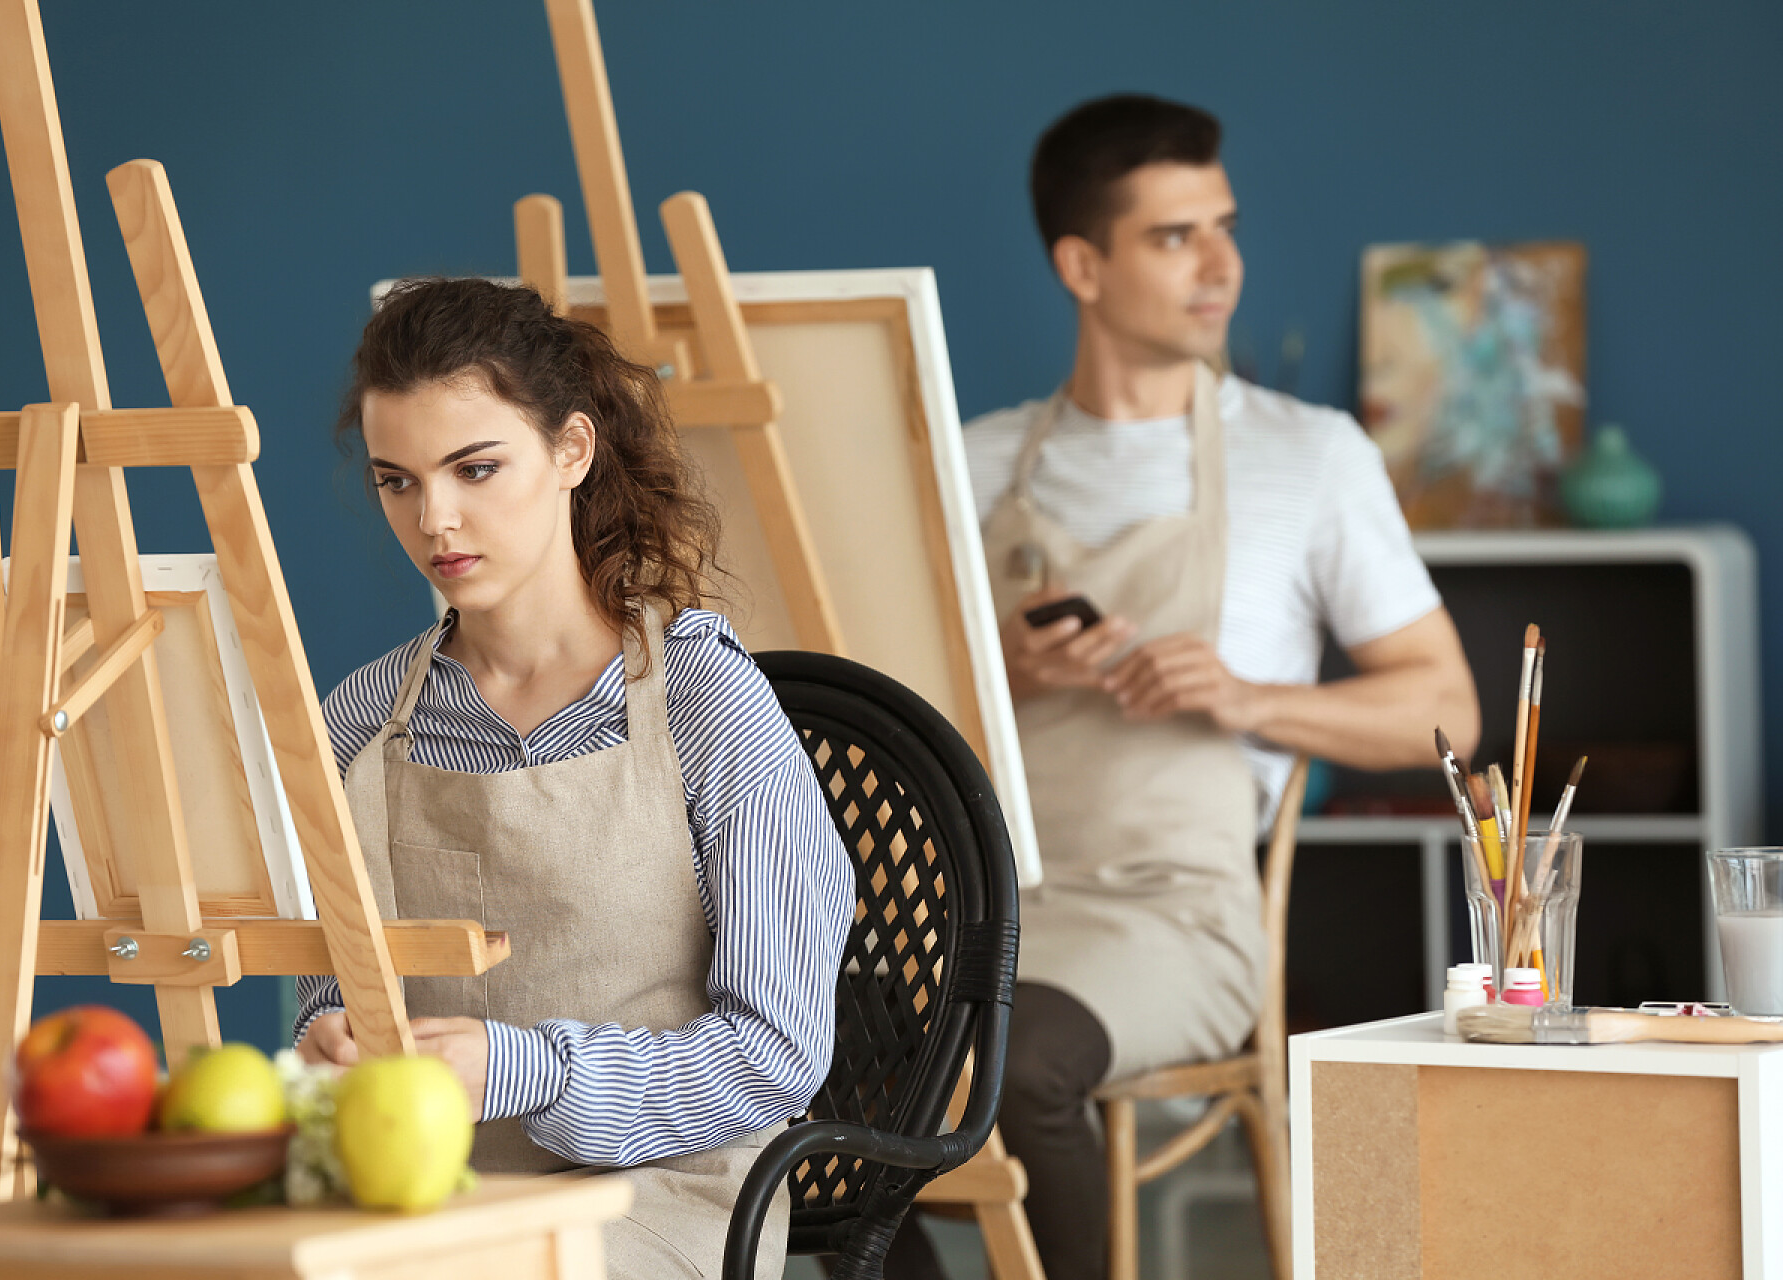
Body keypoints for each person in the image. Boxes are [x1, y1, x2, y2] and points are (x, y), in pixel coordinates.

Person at [939, 95, 1482, 1279]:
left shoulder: (1311, 453)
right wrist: (1004, 672)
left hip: (1176, 916)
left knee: (1013, 1062)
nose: (1222, 265)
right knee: (806, 1057)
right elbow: (887, 709)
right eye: (1175, 236)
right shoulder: (969, 461)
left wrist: (1246, 697)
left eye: (1223, 226)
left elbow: (1449, 711)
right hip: (981, 906)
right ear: (1082, 264)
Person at [292, 277, 854, 1279]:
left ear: (571, 451)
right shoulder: (357, 722)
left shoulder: (704, 706)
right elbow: (328, 982)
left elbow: (774, 1052)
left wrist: (517, 1067)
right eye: (398, 480)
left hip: (663, 1197)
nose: (438, 518)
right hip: (424, 1197)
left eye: (475, 467)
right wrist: (328, 1033)